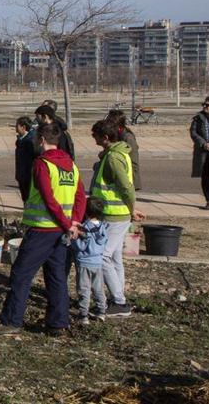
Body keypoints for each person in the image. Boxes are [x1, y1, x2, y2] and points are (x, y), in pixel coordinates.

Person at [0, 122, 86, 336]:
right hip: (62, 232)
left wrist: (66, 224)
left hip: (42, 230)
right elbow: (80, 196)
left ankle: (12, 321)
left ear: (42, 140)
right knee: (56, 276)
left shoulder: (42, 164)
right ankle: (58, 323)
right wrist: (74, 223)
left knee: (21, 274)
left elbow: (48, 198)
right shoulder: (71, 165)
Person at [89, 119, 142, 318]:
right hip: (117, 214)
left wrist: (132, 208)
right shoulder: (116, 153)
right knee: (115, 257)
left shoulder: (113, 158)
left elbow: (126, 186)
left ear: (105, 137)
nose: (93, 139)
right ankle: (118, 298)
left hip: (114, 214)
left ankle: (119, 301)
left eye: (95, 135)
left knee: (102, 256)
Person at [72, 197, 109, 325]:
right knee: (98, 288)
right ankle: (101, 311)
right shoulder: (103, 227)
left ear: (85, 211)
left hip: (84, 263)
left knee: (84, 289)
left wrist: (74, 239)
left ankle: (83, 315)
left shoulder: (84, 227)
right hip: (97, 262)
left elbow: (81, 246)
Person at [106, 109, 142, 190]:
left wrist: (131, 182)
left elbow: (133, 161)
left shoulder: (128, 137)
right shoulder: (117, 134)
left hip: (128, 179)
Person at [14, 116, 37, 202]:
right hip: (22, 176)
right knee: (25, 199)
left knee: (28, 199)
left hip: (28, 177)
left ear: (23, 127)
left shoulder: (30, 141)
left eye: (17, 126)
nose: (15, 128)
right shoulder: (21, 140)